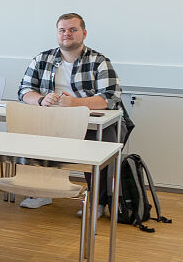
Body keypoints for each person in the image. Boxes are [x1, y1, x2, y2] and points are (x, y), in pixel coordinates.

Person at [16, 12, 131, 209]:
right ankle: (42, 192)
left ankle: (99, 202)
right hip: (52, 120)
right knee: (33, 137)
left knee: (101, 145)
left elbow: (111, 97)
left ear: (84, 33)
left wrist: (76, 103)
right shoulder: (42, 58)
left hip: (88, 121)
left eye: (72, 30)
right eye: (62, 30)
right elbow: (24, 90)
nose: (66, 34)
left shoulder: (98, 61)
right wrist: (42, 99)